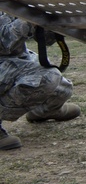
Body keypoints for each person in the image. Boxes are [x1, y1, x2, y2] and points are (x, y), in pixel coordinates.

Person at [2, 12, 81, 151]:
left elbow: (45, 39)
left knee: (61, 88)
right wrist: (29, 20)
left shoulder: (10, 0)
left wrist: (51, 21)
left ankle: (44, 111)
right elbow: (3, 43)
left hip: (16, 62)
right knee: (46, 79)